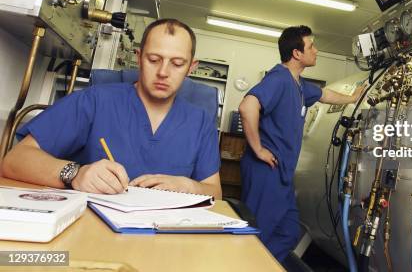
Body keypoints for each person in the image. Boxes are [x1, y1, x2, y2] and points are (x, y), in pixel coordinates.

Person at [1, 19, 221, 198]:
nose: (163, 72)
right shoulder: (96, 101)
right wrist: (75, 174)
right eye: (154, 59)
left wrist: (190, 187)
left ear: (191, 67)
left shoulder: (200, 122)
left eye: (177, 63)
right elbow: (15, 160)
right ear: (139, 58)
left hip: (166, 238)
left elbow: (214, 191)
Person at [239, 25, 365, 262]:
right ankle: (245, 266)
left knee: (289, 232)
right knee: (258, 234)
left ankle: (260, 265)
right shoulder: (278, 79)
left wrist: (352, 98)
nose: (316, 51)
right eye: (311, 46)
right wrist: (258, 149)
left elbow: (324, 94)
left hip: (283, 174)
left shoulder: (298, 84)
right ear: (297, 53)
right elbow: (247, 107)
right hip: (266, 171)